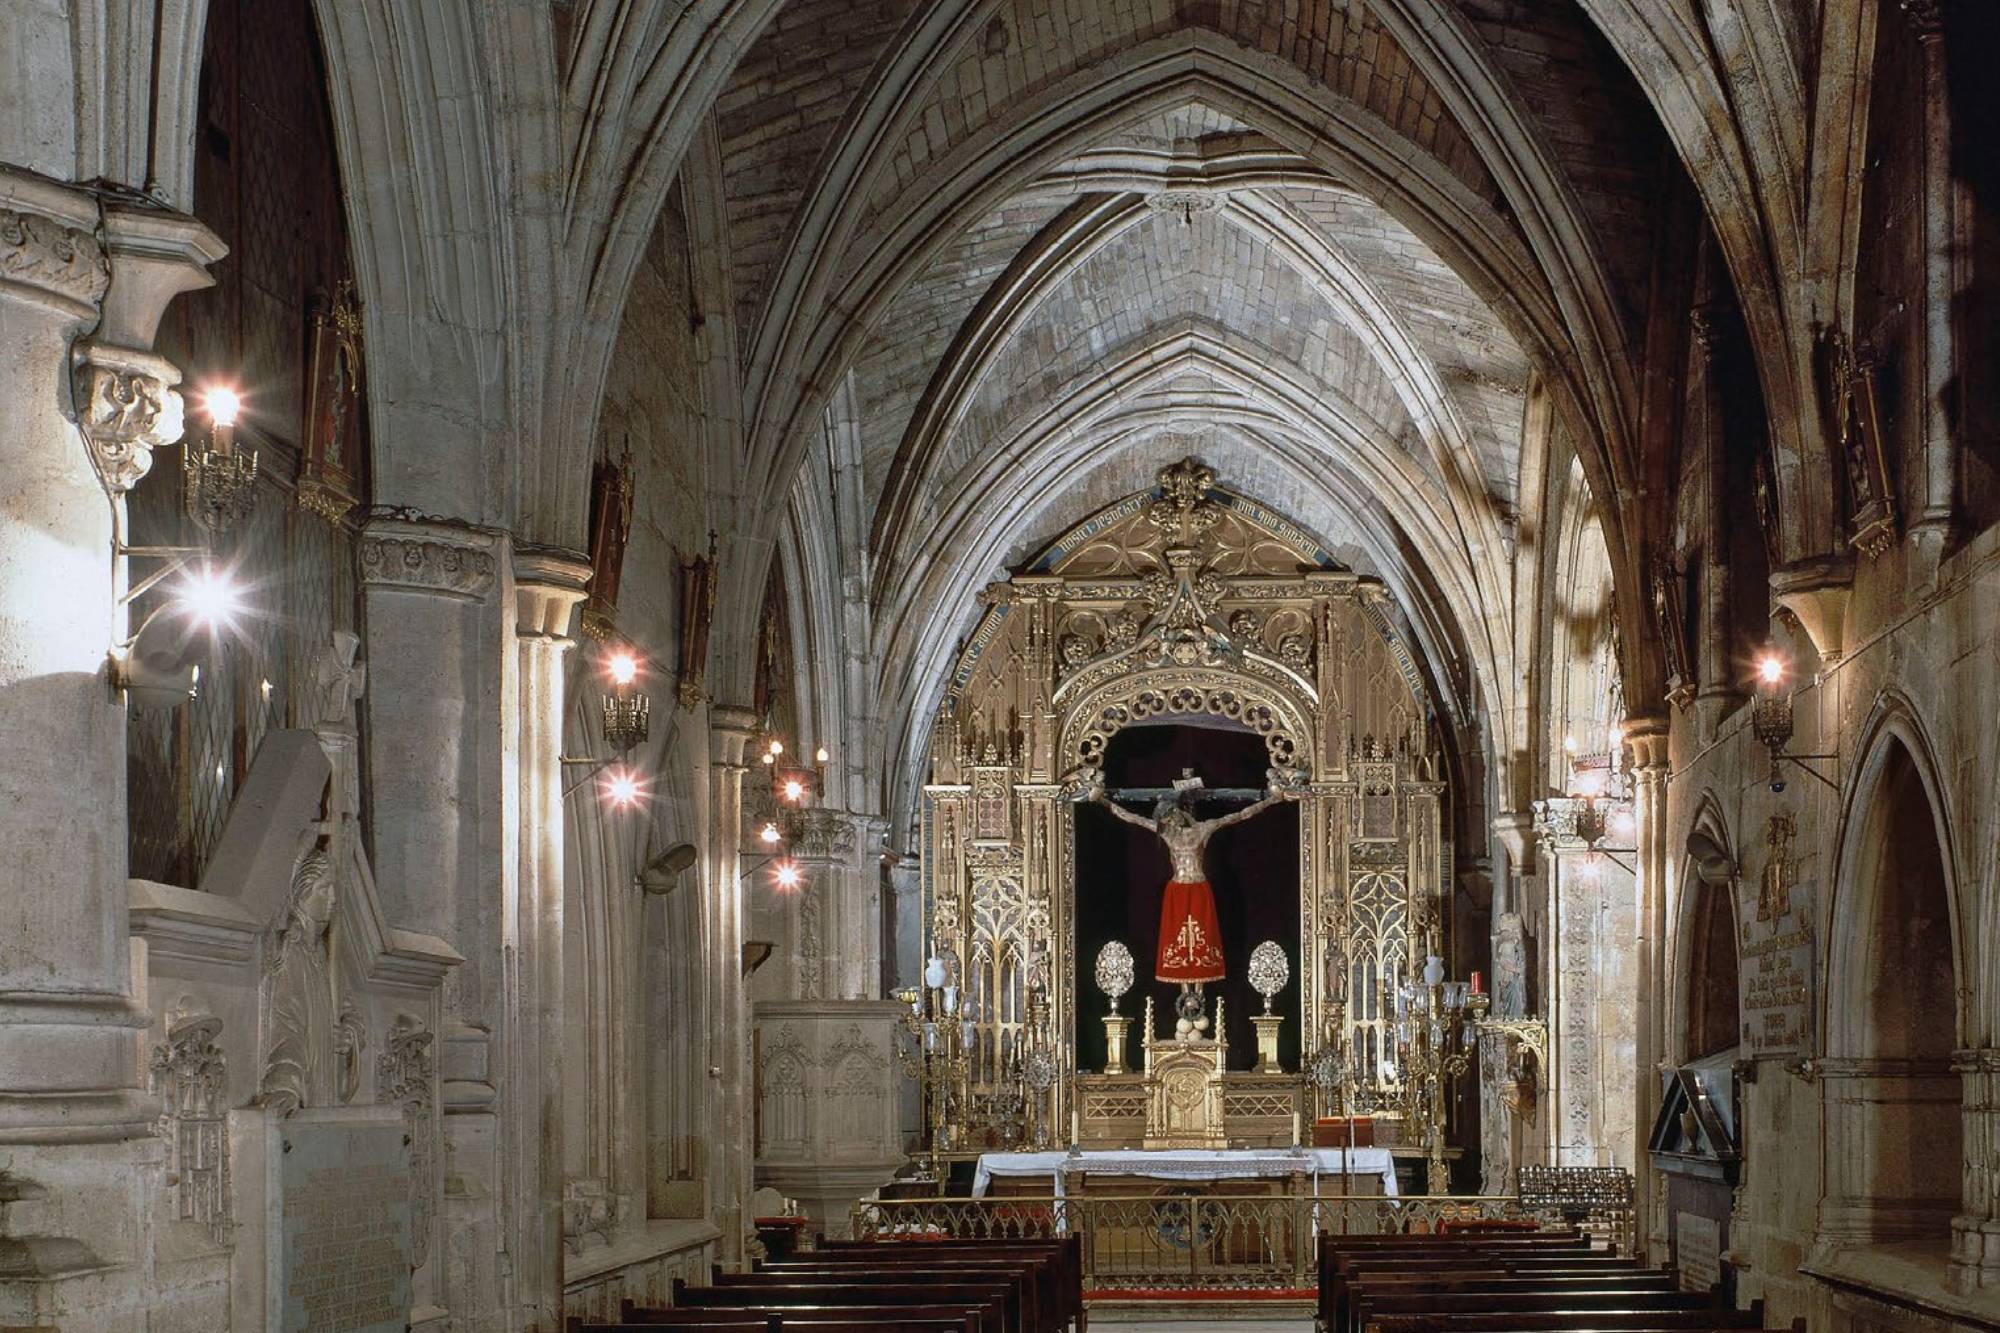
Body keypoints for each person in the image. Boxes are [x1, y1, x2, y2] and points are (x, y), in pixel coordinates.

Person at [1082, 768, 1295, 986]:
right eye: (1165, 820)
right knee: (1178, 939)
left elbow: (1239, 816)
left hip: (1199, 888)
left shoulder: (1204, 829)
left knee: (1202, 937)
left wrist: (1270, 800)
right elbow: (1132, 818)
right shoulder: (1166, 833)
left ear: (1178, 813)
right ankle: (1185, 992)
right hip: (1177, 890)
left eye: (1170, 817)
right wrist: (1102, 802)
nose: (1169, 822)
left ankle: (1199, 992)